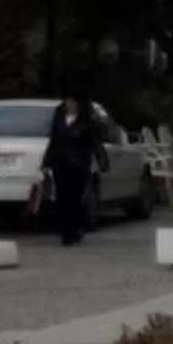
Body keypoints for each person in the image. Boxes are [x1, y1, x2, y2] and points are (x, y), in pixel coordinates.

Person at [40, 96, 103, 247]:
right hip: (60, 164)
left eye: (74, 102)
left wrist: (99, 159)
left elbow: (93, 142)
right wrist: (46, 161)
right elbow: (54, 141)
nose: (70, 105)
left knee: (75, 197)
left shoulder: (85, 122)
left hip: (78, 165)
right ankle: (65, 231)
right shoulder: (59, 120)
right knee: (62, 197)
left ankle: (75, 229)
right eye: (68, 102)